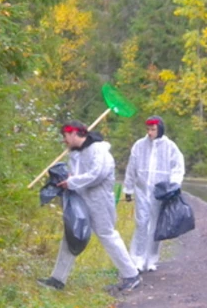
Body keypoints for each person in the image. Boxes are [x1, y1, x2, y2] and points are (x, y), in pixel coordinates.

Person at [38, 121, 141, 292]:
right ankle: (57, 279)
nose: (64, 140)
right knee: (72, 236)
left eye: (65, 136)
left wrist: (71, 182)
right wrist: (68, 178)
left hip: (99, 201)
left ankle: (131, 275)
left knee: (107, 235)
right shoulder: (76, 153)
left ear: (74, 134)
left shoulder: (99, 150)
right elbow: (78, 175)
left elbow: (97, 174)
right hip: (80, 200)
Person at [123, 115, 185, 273]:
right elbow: (131, 168)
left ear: (160, 130)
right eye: (148, 129)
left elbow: (178, 166)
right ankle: (137, 258)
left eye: (153, 129)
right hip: (142, 189)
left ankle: (151, 259)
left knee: (155, 225)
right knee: (141, 223)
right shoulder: (139, 145)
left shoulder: (170, 147)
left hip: (160, 192)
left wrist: (174, 185)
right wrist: (128, 188)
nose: (150, 133)